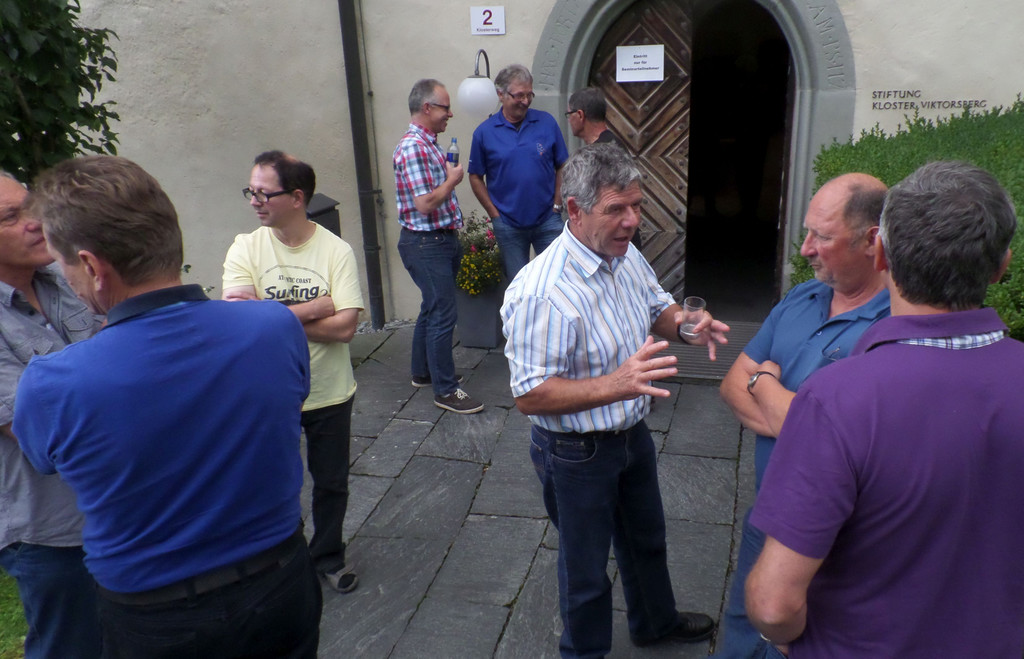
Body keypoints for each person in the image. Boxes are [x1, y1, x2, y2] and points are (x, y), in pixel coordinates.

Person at [14, 155, 321, 658]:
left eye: (61, 263)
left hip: (154, 616)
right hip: (281, 584)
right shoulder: (274, 326)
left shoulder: (53, 384)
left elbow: (42, 459)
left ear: (91, 266)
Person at [746, 161, 1024, 657]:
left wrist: (783, 640)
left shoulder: (838, 398)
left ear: (880, 254)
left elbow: (773, 605)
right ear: (1003, 264)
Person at [501, 143, 730, 658]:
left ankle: (654, 623)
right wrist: (617, 384)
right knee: (585, 573)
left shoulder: (623, 253)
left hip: (631, 435)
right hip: (575, 454)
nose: (632, 220)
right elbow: (529, 394)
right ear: (575, 210)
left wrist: (686, 325)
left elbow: (656, 306)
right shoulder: (543, 292)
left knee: (646, 540)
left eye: (637, 205)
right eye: (616, 209)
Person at [714, 173, 889, 657]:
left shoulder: (890, 328)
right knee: (740, 629)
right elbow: (730, 385)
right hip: (766, 515)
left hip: (830, 542)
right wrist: (802, 424)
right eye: (807, 232)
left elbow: (751, 383)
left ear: (873, 241)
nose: (806, 248)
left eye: (822, 237)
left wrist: (763, 382)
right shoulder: (802, 297)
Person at [223, 150, 364, 592]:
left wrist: (270, 314)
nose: (254, 201)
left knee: (331, 483)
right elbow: (240, 324)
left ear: (298, 197)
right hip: (270, 391)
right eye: (251, 192)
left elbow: (345, 328)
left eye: (264, 193)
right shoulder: (246, 246)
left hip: (329, 391)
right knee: (274, 483)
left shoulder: (335, 250)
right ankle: (285, 558)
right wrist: (314, 307)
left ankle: (328, 556)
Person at [0, 171, 103, 659]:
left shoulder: (64, 277)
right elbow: (40, 430)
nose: (35, 221)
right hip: (52, 533)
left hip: (115, 510)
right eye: (12, 216)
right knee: (73, 647)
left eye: (31, 205)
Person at [393, 78, 483, 414]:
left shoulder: (427, 144)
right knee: (443, 313)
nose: (450, 114)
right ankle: (445, 390)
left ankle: (424, 372)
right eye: (446, 107)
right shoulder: (414, 147)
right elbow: (424, 204)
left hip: (435, 240)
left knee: (432, 307)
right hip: (426, 243)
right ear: (427, 107)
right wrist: (452, 180)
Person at [469, 64, 569, 279]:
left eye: (529, 94)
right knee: (518, 285)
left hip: (548, 220)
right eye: (519, 95)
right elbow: (475, 176)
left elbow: (562, 164)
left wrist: (557, 204)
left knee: (558, 280)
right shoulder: (484, 133)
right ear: (501, 95)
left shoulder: (546, 123)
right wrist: (494, 214)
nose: (525, 101)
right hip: (508, 225)